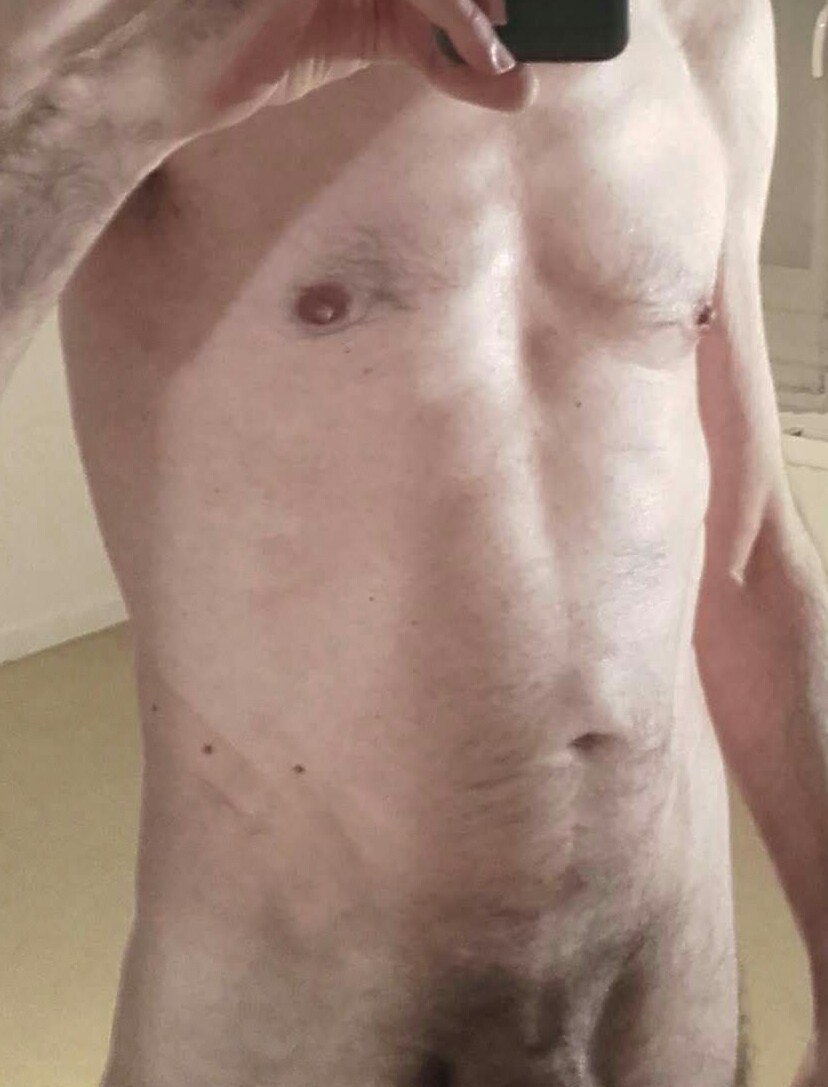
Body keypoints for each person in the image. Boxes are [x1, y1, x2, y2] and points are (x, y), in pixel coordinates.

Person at [0, 0, 822, 1083]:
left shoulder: (710, 19)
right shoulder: (134, 17)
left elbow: (750, 548)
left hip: (660, 1023)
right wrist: (105, 112)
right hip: (298, 1034)